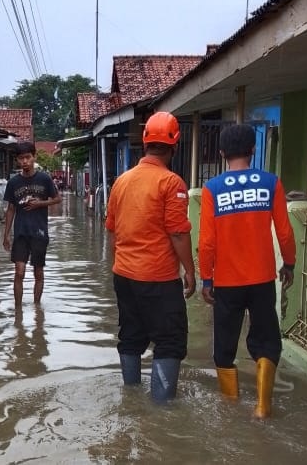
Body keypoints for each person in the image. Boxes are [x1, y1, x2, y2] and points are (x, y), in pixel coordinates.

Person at [198, 123, 296, 419]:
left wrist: (206, 278)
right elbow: (285, 232)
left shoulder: (212, 188)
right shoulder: (271, 183)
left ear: (222, 153)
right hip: (263, 279)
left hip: (227, 283)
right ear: (253, 150)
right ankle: (263, 407)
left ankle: (229, 409)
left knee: (225, 345)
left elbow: (206, 241)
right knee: (267, 341)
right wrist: (288, 263)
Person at [105, 111, 196, 402]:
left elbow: (112, 230)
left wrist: (119, 265)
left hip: (124, 275)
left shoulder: (121, 181)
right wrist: (191, 272)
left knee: (131, 336)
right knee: (170, 340)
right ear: (175, 145)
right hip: (158, 277)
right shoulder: (172, 183)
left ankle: (130, 397)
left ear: (145, 143)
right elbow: (179, 234)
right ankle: (162, 409)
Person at [3, 141, 62, 307]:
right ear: (17, 160)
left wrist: (40, 204)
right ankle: (18, 311)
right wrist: (6, 234)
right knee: (19, 272)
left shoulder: (44, 178)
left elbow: (57, 199)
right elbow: (11, 209)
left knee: (38, 273)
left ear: (34, 157)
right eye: (21, 158)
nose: (25, 162)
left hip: (39, 233)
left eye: (28, 157)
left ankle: (37, 309)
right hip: (20, 232)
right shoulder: (13, 182)